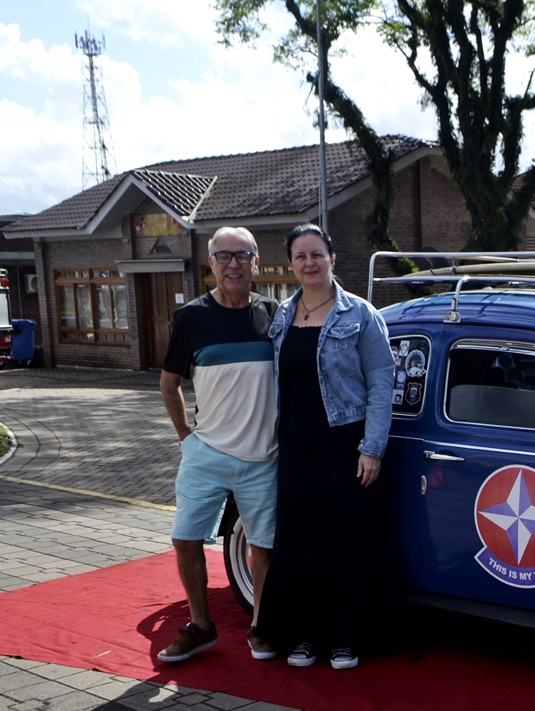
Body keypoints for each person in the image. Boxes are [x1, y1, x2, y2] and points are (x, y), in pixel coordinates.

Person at [256, 223, 394, 670]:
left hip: (345, 445)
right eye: (300, 256)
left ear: (332, 258)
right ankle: (304, 637)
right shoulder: (282, 315)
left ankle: (343, 639)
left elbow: (382, 382)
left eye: (317, 254)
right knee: (299, 543)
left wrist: (372, 448)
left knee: (343, 543)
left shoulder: (361, 314)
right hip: (296, 446)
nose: (309, 263)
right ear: (291, 264)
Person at [157, 227, 281, 663]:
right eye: (224, 256)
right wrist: (186, 439)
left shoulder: (275, 316)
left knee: (263, 547)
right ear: (210, 263)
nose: (234, 264)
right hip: (206, 454)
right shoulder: (190, 318)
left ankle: (261, 627)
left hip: (263, 457)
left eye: (243, 255)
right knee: (185, 539)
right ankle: (201, 626)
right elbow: (169, 383)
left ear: (256, 262)